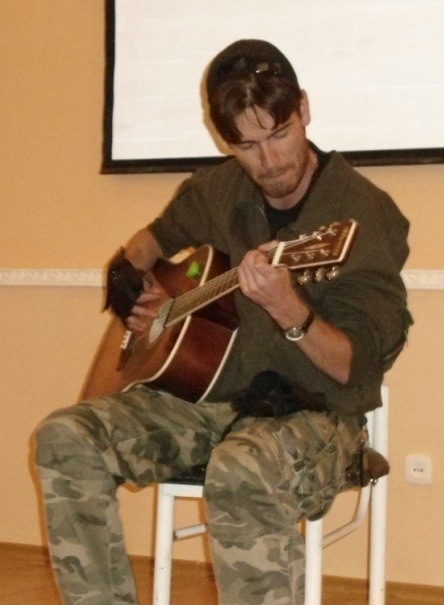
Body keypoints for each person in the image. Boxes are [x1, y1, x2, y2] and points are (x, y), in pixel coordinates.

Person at [34, 39, 412, 605]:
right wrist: (129, 281)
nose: (270, 162)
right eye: (247, 146)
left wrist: (291, 311)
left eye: (280, 134)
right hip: (206, 402)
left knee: (241, 467)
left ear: (304, 109)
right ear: (224, 140)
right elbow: (153, 240)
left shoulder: (362, 215)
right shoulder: (218, 191)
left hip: (317, 414)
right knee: (65, 438)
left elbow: (353, 365)